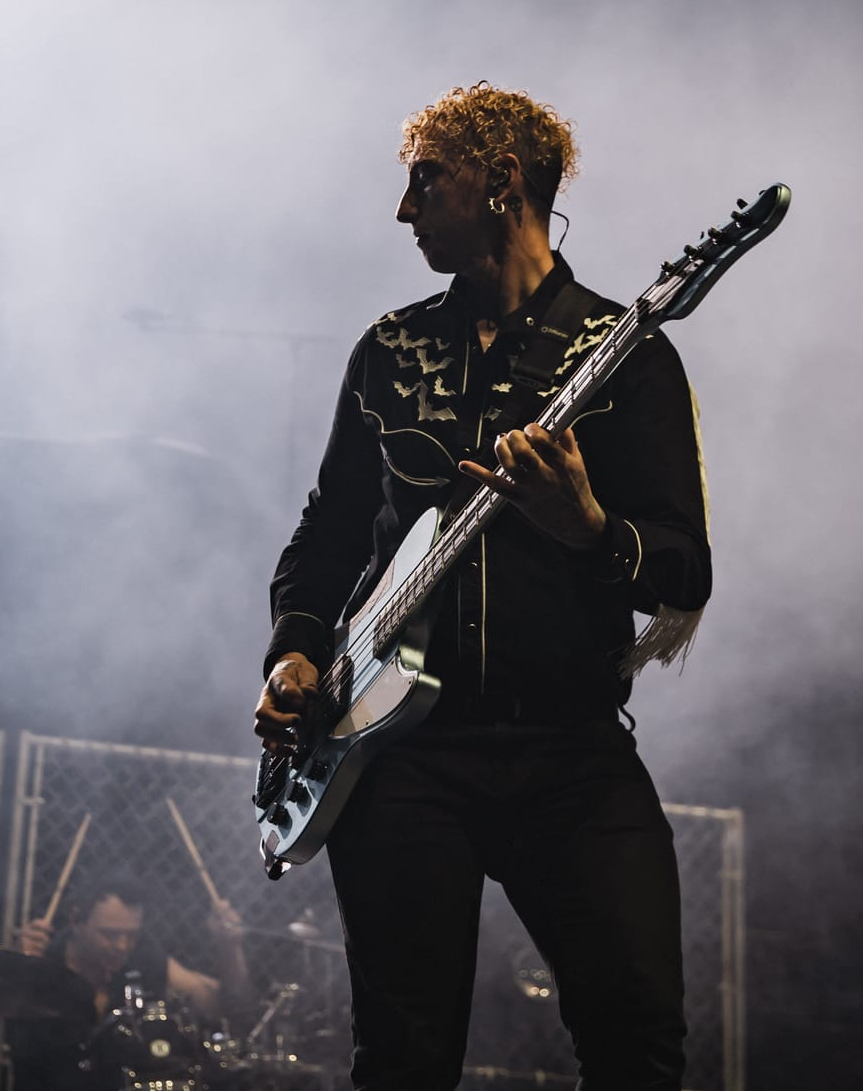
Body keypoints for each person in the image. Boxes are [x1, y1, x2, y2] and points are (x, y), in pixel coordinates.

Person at [252, 82, 712, 1090]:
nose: (403, 208)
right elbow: (327, 535)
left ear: (502, 179)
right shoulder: (388, 349)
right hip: (398, 756)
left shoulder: (627, 357)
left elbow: (685, 567)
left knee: (639, 1042)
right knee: (403, 1059)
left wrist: (590, 530)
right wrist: (294, 650)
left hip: (571, 752)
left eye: (426, 180)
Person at [7, 872, 251, 1088]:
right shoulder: (43, 961)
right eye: (109, 934)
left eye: (131, 935)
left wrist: (229, 947)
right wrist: (16, 965)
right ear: (76, 920)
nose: (122, 946)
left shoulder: (143, 957)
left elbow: (218, 1004)